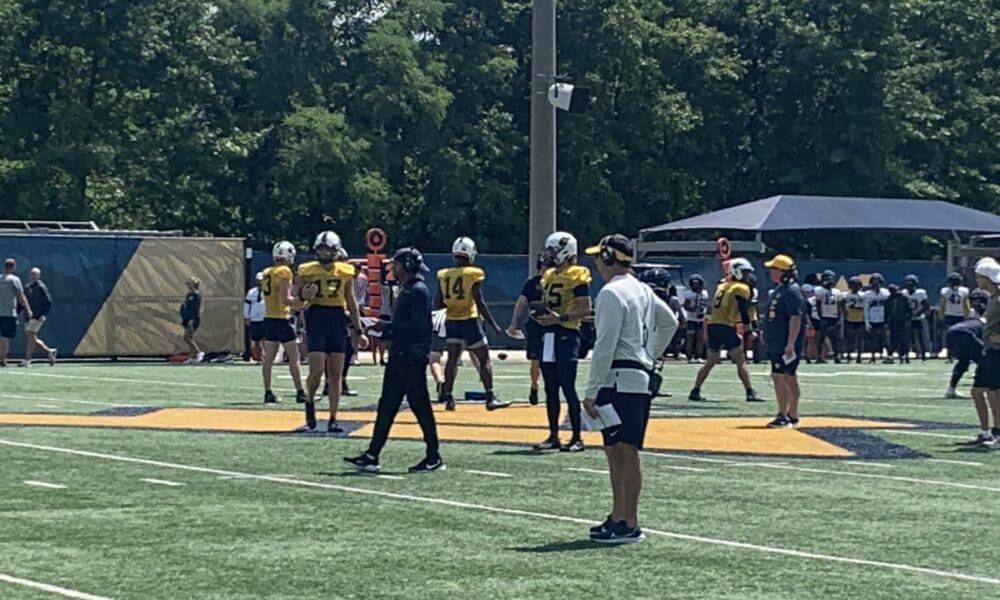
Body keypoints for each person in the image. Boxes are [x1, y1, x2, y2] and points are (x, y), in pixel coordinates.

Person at [582, 234, 677, 544]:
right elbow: (670, 322)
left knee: (622, 451)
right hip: (634, 377)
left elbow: (605, 343)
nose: (596, 262)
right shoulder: (643, 289)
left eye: (599, 256)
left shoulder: (611, 292)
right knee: (619, 451)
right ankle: (619, 515)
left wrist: (592, 389)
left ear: (609, 258)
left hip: (618, 379)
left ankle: (629, 520)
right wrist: (649, 353)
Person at [344, 247, 444, 473]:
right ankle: (372, 454)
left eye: (396, 264)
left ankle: (433, 455)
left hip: (411, 356)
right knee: (387, 405)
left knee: (420, 406)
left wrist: (384, 328)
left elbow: (417, 327)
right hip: (401, 355)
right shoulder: (409, 289)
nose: (393, 268)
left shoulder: (417, 291)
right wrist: (384, 329)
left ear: (407, 265)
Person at [298, 231, 369, 432]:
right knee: (317, 371)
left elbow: (351, 301)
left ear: (336, 251)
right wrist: (304, 293)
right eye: (321, 249)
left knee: (336, 373)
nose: (325, 253)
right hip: (317, 318)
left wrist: (358, 329)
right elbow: (296, 297)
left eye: (328, 249)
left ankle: (333, 418)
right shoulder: (307, 270)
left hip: (337, 318)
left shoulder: (345, 271)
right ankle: (310, 400)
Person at [532, 231, 593, 452]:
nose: (549, 255)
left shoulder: (578, 274)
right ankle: (554, 435)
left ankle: (577, 437)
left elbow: (585, 308)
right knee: (550, 388)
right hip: (549, 336)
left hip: (567, 335)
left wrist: (562, 318)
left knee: (567, 387)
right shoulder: (548, 275)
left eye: (552, 251)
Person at [435, 236, 509, 411]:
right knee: (484, 359)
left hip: (451, 320)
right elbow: (479, 301)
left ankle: (449, 398)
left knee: (452, 360)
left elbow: (437, 302)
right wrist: (493, 325)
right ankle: (490, 397)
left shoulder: (443, 274)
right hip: (469, 320)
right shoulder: (473, 273)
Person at [688, 258, 762, 403]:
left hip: (713, 325)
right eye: (745, 273)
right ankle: (749, 391)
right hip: (725, 326)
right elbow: (742, 308)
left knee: (711, 361)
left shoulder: (722, 285)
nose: (747, 276)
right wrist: (748, 328)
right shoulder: (741, 288)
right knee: (740, 360)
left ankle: (695, 390)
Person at [260, 241, 307, 404]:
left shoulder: (267, 271)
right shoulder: (284, 271)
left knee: (268, 359)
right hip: (282, 319)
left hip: (268, 318)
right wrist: (301, 301)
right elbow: (286, 299)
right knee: (295, 357)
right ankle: (300, 391)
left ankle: (267, 391)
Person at [763, 254, 806, 428]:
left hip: (783, 342)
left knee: (780, 376)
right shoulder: (781, 289)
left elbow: (795, 318)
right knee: (787, 376)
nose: (771, 272)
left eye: (774, 269)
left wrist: (790, 343)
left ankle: (783, 414)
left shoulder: (791, 291)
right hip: (777, 341)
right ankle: (792, 413)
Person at [507, 254, 550, 405]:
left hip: (552, 324)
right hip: (535, 324)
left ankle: (550, 389)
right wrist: (514, 321)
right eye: (545, 265)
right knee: (535, 359)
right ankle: (534, 386)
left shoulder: (556, 280)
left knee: (551, 360)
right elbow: (521, 301)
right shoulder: (532, 282)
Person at [971, 259, 1000, 448]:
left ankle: (998, 432)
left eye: (978, 277)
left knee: (995, 392)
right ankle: (988, 431)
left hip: (997, 350)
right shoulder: (992, 297)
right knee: (980, 390)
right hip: (989, 350)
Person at [944, 289, 988, 399]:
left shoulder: (974, 316)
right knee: (986, 360)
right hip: (966, 333)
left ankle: (951, 389)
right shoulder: (987, 320)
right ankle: (985, 388)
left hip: (951, 332)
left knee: (963, 361)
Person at [20, 267, 57, 367]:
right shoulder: (27, 287)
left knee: (30, 334)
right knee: (31, 338)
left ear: (39, 276)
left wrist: (43, 314)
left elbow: (48, 302)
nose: (33, 276)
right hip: (28, 317)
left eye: (35, 274)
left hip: (38, 317)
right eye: (32, 274)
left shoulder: (41, 287)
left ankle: (27, 360)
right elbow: (23, 301)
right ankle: (50, 351)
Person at [0, 258, 31, 368]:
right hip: (8, 313)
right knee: (5, 337)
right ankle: (2, 359)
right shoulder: (15, 279)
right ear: (14, 267)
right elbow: (20, 295)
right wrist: (28, 309)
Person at [813, 270, 843, 364]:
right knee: (821, 337)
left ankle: (836, 356)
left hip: (834, 317)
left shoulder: (837, 292)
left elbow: (839, 305)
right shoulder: (819, 291)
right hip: (824, 317)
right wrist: (820, 317)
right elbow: (818, 305)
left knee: (836, 338)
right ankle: (819, 356)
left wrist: (839, 317)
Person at [940, 272, 971, 362]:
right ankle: (956, 355)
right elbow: (967, 306)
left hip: (950, 315)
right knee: (958, 337)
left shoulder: (945, 291)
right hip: (958, 315)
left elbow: (942, 305)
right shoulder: (964, 291)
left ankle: (951, 355)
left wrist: (941, 315)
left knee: (951, 336)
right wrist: (967, 316)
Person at [863, 273, 890, 363]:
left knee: (885, 338)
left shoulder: (886, 293)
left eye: (878, 281)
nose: (876, 284)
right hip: (873, 319)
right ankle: (873, 356)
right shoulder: (867, 294)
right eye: (874, 281)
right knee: (873, 340)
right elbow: (866, 309)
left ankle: (888, 356)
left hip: (883, 319)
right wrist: (867, 322)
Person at [903, 274, 931, 361]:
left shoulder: (920, 293)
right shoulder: (904, 293)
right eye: (908, 283)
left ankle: (923, 355)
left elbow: (926, 306)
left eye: (911, 283)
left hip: (917, 317)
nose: (909, 285)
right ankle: (906, 355)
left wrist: (917, 314)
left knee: (920, 337)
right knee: (907, 337)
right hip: (908, 317)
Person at [683, 275, 708, 362]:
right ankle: (689, 357)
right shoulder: (689, 294)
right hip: (691, 319)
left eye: (697, 284)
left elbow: (705, 305)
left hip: (700, 319)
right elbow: (686, 306)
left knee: (700, 338)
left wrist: (703, 312)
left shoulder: (704, 293)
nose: (695, 286)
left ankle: (699, 356)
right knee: (690, 338)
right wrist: (694, 310)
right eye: (694, 284)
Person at [885, 284, 911, 364]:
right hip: (893, 322)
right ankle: (891, 355)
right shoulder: (889, 299)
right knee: (893, 339)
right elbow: (887, 311)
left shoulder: (904, 298)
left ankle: (903, 355)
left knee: (903, 339)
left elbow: (908, 310)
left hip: (902, 321)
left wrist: (908, 318)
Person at [180, 277, 204, 364]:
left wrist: (191, 319)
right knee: (189, 337)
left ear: (194, 284)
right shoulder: (189, 294)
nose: (188, 285)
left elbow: (194, 309)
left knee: (186, 337)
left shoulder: (195, 294)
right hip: (187, 319)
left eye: (190, 283)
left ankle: (199, 353)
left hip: (193, 319)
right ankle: (192, 356)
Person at [244, 273, 266, 361]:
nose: (260, 282)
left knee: (266, 339)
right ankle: (258, 357)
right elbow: (247, 305)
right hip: (255, 319)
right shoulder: (251, 292)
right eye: (259, 281)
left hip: (265, 317)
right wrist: (246, 317)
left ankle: (267, 356)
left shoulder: (268, 292)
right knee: (256, 339)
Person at [843, 276, 866, 363]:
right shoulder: (845, 295)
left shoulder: (863, 295)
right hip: (849, 319)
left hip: (860, 319)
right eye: (853, 284)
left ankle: (859, 356)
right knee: (849, 339)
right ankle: (849, 355)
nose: (855, 287)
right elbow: (842, 306)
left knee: (860, 339)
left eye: (857, 285)